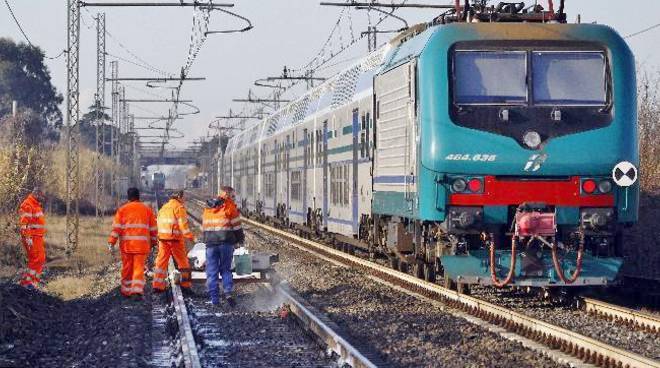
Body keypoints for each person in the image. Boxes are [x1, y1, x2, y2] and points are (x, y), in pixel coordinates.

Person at [107, 187, 158, 299]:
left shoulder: (122, 210)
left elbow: (116, 229)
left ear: (128, 197)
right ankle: (136, 291)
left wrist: (111, 242)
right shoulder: (147, 210)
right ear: (138, 196)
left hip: (127, 246)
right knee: (138, 269)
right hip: (142, 246)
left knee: (127, 268)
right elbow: (153, 229)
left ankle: (126, 291)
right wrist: (154, 243)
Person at [202, 186, 244, 306]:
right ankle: (228, 292)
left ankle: (215, 300)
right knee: (225, 269)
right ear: (227, 194)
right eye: (233, 195)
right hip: (226, 243)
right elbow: (237, 227)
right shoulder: (230, 207)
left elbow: (204, 227)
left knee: (211, 272)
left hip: (210, 244)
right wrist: (239, 240)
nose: (234, 198)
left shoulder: (207, 208)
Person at [153, 190, 195, 293]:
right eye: (184, 197)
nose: (185, 199)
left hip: (162, 238)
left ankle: (157, 286)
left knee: (161, 262)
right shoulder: (179, 207)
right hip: (174, 239)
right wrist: (192, 238)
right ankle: (186, 285)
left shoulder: (164, 207)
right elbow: (183, 227)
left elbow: (157, 222)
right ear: (179, 197)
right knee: (183, 262)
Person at [18, 188, 47, 289]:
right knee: (35, 260)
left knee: (41, 259)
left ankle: (34, 283)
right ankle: (26, 284)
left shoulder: (36, 204)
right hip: (32, 237)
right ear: (37, 194)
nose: (43, 198)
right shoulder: (27, 204)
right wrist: (27, 238)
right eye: (42, 196)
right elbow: (24, 224)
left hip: (38, 237)